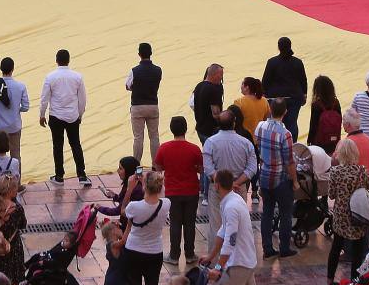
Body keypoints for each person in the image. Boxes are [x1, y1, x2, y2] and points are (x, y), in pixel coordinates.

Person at [200, 170, 264, 285]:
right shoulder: (232, 201)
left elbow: (230, 239)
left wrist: (219, 267)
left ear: (217, 185)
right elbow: (223, 230)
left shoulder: (230, 206)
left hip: (238, 264)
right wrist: (211, 254)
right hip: (247, 259)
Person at [123, 172, 171, 285]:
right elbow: (161, 193)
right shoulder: (166, 204)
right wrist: (150, 182)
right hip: (154, 252)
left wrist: (130, 188)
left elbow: (123, 210)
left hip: (134, 250)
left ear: (144, 186)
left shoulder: (135, 207)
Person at [202, 110, 257, 252]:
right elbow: (252, 168)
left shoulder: (210, 142)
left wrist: (223, 183)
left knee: (216, 226)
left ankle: (214, 262)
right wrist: (236, 183)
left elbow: (208, 168)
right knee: (238, 225)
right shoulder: (245, 143)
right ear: (234, 123)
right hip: (239, 188)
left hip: (218, 189)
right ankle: (235, 258)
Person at [154, 117, 202, 265]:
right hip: (191, 191)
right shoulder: (194, 149)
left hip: (173, 192)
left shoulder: (164, 148)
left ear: (171, 129)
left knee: (175, 224)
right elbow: (201, 169)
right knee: (189, 223)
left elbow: (158, 167)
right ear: (186, 129)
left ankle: (174, 256)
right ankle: (190, 254)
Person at [253, 98, 298, 259]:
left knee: (267, 212)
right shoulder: (285, 134)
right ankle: (284, 248)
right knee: (286, 213)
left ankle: (267, 248)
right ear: (285, 112)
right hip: (280, 178)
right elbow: (289, 162)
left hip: (264, 176)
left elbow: (257, 142)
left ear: (270, 110)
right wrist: (295, 180)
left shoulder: (261, 126)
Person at [39, 49, 90, 186]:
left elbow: (44, 99)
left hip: (55, 116)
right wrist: (80, 115)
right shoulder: (77, 77)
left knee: (57, 145)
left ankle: (59, 176)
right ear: (69, 60)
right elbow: (82, 100)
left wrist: (42, 115)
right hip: (73, 116)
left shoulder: (50, 77)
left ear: (56, 60)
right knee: (75, 145)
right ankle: (82, 175)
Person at [327, 139, 369, 285]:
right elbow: (367, 189)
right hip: (358, 214)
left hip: (341, 215)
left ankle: (330, 279)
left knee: (336, 247)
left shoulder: (335, 171)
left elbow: (331, 195)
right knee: (358, 252)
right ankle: (354, 282)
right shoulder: (362, 170)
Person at [0, 57, 29, 177]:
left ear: (1, 69)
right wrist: (16, 109)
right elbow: (26, 107)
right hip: (15, 126)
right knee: (16, 155)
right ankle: (17, 183)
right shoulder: (21, 86)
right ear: (13, 69)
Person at [262, 37, 307, 139]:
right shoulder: (297, 62)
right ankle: (292, 145)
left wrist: (264, 94)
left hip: (276, 99)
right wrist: (304, 94)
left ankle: (276, 143)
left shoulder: (272, 62)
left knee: (275, 124)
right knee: (292, 123)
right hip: (294, 98)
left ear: (278, 47)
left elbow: (265, 81)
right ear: (290, 46)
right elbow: (303, 80)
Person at [125, 42, 162, 164]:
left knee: (138, 137)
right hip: (153, 105)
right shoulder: (158, 70)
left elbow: (128, 86)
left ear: (139, 54)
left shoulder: (134, 71)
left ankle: (136, 166)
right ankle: (155, 165)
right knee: (154, 136)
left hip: (137, 106)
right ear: (151, 53)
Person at [192, 64, 224, 204]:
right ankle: (206, 193)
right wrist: (226, 119)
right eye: (220, 75)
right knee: (210, 161)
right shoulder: (214, 90)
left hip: (200, 128)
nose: (222, 78)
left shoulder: (199, 86)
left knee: (206, 157)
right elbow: (216, 113)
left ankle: (202, 190)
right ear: (214, 74)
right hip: (211, 130)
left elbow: (193, 104)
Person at [97, 156, 144, 230]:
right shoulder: (129, 183)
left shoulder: (135, 189)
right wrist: (115, 196)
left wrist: (100, 208)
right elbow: (124, 201)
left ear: (128, 171)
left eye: (120, 168)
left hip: (131, 228)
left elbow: (120, 210)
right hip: (128, 224)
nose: (118, 171)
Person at [306, 75, 342, 155]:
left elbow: (313, 125)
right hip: (334, 141)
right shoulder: (336, 102)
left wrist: (309, 141)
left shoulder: (316, 105)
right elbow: (340, 121)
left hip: (320, 142)